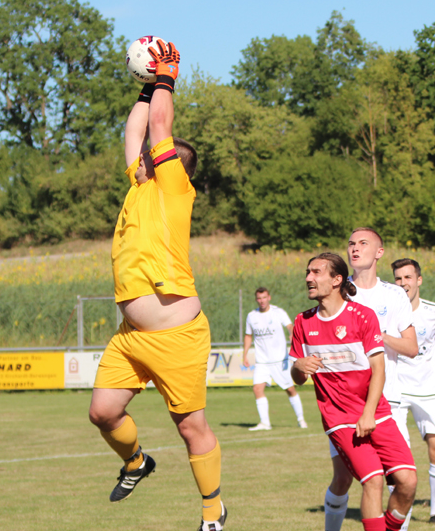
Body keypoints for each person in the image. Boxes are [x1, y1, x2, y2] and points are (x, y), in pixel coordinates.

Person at [87, 40, 227, 531]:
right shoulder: (139, 184)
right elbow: (135, 127)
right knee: (102, 412)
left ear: (172, 165)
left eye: (153, 153)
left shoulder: (172, 188)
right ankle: (136, 462)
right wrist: (147, 87)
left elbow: (161, 128)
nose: (144, 150)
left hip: (176, 336)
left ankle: (213, 509)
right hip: (132, 337)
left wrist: (166, 78)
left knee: (191, 427)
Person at [291, 253, 417, 531]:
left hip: (377, 414)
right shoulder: (303, 322)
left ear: (337, 280)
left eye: (316, 272)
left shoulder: (362, 316)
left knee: (408, 482)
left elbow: (378, 369)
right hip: (340, 420)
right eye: (308, 272)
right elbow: (298, 379)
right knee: (372, 481)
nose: (309, 278)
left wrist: (369, 413)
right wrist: (298, 366)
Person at [324, 228, 419, 531]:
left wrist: (377, 337)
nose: (355, 248)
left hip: (387, 402)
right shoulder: (336, 290)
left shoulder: (393, 295)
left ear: (379, 252)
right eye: (351, 243)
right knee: (344, 478)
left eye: (363, 243)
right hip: (345, 404)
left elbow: (412, 347)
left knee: (402, 483)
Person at [391, 258, 435, 525]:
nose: (403, 283)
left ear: (419, 280)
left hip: (427, 391)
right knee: (398, 458)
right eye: (398, 278)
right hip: (395, 392)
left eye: (407, 277)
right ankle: (402, 517)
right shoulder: (387, 312)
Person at [242, 286, 307, 431]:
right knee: (257, 389)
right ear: (256, 300)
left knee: (290, 389)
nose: (262, 301)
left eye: (264, 297)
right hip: (262, 362)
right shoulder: (252, 316)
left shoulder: (278, 312)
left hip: (280, 361)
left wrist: (292, 333)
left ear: (269, 298)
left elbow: (290, 326)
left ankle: (301, 419)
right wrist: (244, 354)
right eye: (259, 298)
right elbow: (248, 335)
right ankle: (265, 423)